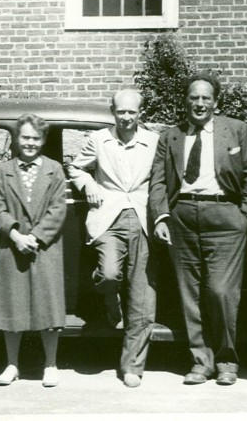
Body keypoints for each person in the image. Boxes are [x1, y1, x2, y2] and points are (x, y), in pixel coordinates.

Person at [149, 72, 247, 386]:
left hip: (226, 217)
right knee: (191, 294)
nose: (199, 104)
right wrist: (161, 217)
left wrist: (245, 216)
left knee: (221, 292)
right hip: (182, 217)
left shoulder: (236, 130)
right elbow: (158, 181)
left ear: (216, 101)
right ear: (185, 101)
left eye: (205, 98)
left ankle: (227, 361)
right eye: (193, 97)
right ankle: (201, 361)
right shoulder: (170, 136)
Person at [67, 88, 159, 388]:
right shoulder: (100, 139)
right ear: (113, 112)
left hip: (144, 219)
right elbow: (75, 168)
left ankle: (132, 365)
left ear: (140, 113)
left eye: (132, 112)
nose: (127, 118)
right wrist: (88, 184)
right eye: (121, 112)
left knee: (142, 295)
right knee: (108, 274)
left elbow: (162, 180)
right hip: (108, 217)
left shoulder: (153, 142)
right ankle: (110, 298)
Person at [0, 114, 67, 388]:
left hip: (45, 248)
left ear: (43, 140)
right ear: (17, 139)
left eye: (35, 138)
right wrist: (15, 234)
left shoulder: (54, 169)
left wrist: (35, 236)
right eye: (25, 137)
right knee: (13, 306)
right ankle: (12, 364)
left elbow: (59, 209)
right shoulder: (4, 170)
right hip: (12, 246)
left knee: (48, 308)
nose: (30, 143)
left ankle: (51, 364)